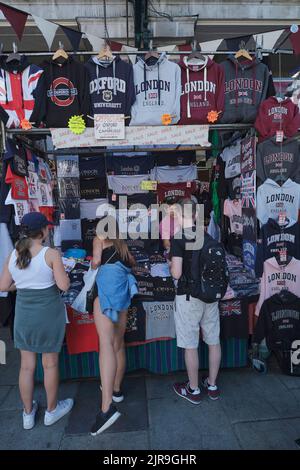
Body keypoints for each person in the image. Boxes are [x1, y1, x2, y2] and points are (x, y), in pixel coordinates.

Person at [0, 212, 73, 430]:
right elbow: (64, 286)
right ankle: (51, 411)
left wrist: (22, 285)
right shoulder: (51, 254)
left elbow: (3, 286)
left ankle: (27, 414)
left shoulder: (13, 254)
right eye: (47, 227)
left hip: (24, 315)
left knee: (26, 367)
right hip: (48, 314)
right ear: (42, 231)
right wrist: (64, 275)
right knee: (49, 364)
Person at [169, 198, 222, 404]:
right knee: (213, 341)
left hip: (188, 297)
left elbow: (176, 273)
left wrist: (170, 266)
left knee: (191, 345)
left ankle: (193, 389)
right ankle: (212, 385)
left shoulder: (179, 238)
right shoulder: (207, 235)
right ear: (196, 215)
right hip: (211, 297)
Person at [91, 216, 137, 436]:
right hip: (123, 295)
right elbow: (132, 263)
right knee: (119, 344)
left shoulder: (99, 239)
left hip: (106, 294)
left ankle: (107, 406)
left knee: (106, 345)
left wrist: (92, 261)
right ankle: (117, 390)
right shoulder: (122, 244)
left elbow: (96, 262)